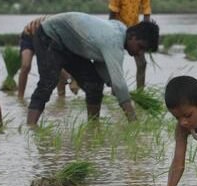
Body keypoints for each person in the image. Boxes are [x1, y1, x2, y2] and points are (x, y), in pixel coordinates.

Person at [26, 12, 159, 126]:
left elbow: (101, 65)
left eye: (144, 51)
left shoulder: (120, 31)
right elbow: (119, 85)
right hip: (49, 35)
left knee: (94, 83)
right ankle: (30, 127)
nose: (140, 53)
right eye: (140, 47)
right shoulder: (114, 40)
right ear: (133, 37)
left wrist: (111, 82)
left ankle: (93, 128)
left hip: (70, 45)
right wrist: (133, 121)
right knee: (48, 82)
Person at [17, 16, 78, 99]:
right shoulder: (59, 30)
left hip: (44, 37)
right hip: (29, 35)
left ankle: (61, 98)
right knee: (26, 65)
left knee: (59, 64)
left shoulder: (67, 37)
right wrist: (70, 80)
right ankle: (20, 97)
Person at [109, 0, 152, 89]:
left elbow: (146, 13)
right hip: (118, 30)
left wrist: (145, 34)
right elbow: (112, 14)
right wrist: (112, 35)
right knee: (116, 63)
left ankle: (140, 92)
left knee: (142, 63)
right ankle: (116, 91)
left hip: (134, 31)